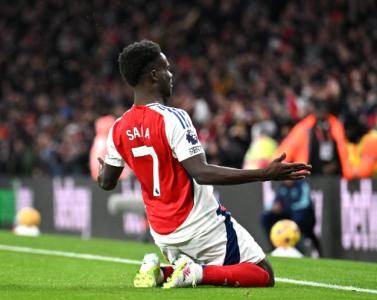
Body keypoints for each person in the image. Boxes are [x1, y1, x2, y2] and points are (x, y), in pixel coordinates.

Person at [97, 40, 311, 289]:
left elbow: (107, 183)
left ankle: (159, 272)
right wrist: (264, 173)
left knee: (217, 266)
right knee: (262, 273)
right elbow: (201, 173)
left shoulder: (118, 128)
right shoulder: (173, 118)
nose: (171, 74)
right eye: (166, 68)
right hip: (198, 223)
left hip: (162, 232)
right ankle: (194, 274)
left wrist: (103, 171)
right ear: (154, 75)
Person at [274, 99, 353, 179]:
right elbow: (288, 148)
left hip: (334, 176)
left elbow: (343, 152)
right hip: (313, 175)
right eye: (320, 111)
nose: (322, 114)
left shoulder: (336, 128)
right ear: (315, 111)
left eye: (324, 111)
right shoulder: (306, 128)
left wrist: (336, 165)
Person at [260, 179, 322, 257]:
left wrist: (285, 208)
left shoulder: (302, 185)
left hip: (305, 219)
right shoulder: (282, 186)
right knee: (266, 218)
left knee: (298, 218)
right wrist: (274, 207)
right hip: (287, 215)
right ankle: (276, 246)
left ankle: (297, 248)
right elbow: (275, 201)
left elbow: (304, 204)